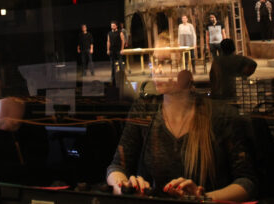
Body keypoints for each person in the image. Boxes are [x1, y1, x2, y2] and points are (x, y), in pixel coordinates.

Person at [106, 70, 257, 201]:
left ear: (188, 71)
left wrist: (203, 199)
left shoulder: (220, 116)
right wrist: (125, 189)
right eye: (155, 61)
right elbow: (117, 167)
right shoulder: (145, 109)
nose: (157, 70)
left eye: (167, 62)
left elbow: (247, 182)